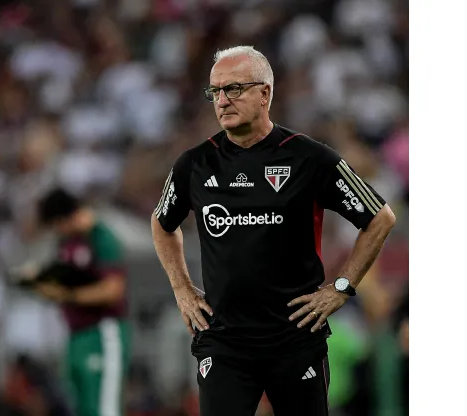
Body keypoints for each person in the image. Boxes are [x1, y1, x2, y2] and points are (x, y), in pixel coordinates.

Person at [150, 46, 396, 416]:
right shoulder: (195, 164)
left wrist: (342, 287)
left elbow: (380, 217)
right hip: (225, 340)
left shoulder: (309, 158)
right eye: (215, 91)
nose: (222, 100)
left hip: (295, 338)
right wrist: (182, 288)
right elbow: (161, 222)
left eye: (234, 89)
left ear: (265, 93)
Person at [23, 188, 131, 416]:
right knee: (82, 408)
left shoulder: (100, 237)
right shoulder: (67, 243)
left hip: (103, 332)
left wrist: (68, 296)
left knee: (103, 408)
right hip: (76, 335)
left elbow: (113, 290)